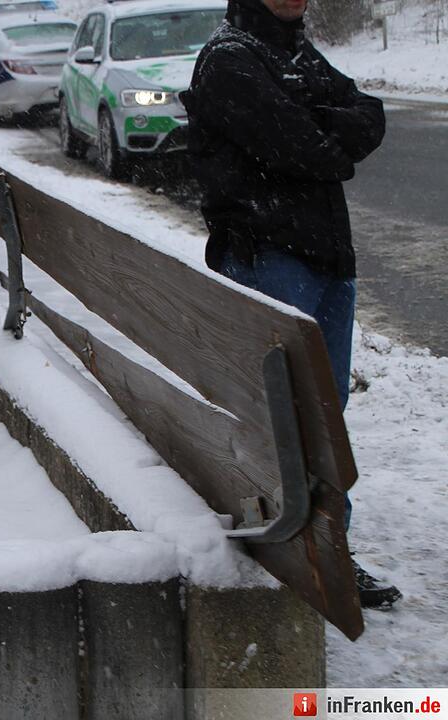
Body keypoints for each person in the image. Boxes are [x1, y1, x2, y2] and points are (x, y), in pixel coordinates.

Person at [181, 0, 402, 608]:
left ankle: (328, 551)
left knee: (324, 416)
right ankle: (298, 556)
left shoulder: (294, 52)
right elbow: (313, 151)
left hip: (327, 258)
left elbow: (371, 116)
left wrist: (320, 121)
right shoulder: (230, 61)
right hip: (268, 257)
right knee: (285, 418)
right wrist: (328, 129)